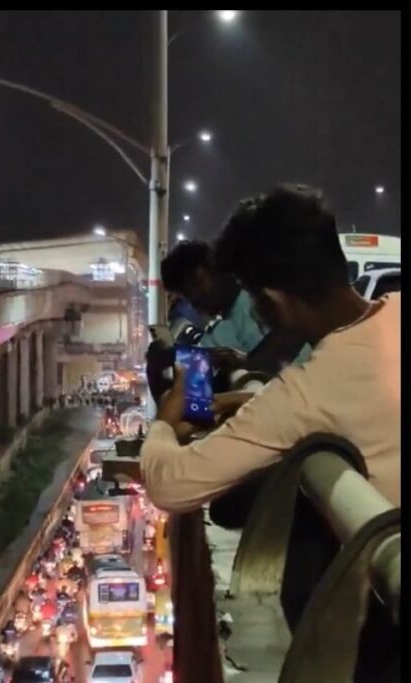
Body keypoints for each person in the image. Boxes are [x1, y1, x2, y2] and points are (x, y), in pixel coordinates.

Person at [140, 185, 400, 680]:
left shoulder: (308, 392)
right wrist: (249, 396)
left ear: (273, 302)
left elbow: (170, 484)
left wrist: (165, 421)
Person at [161, 238, 312, 368]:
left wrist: (246, 363)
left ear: (217, 269)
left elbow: (290, 338)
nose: (195, 297)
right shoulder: (215, 335)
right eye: (187, 294)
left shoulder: (261, 297)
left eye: (197, 283)